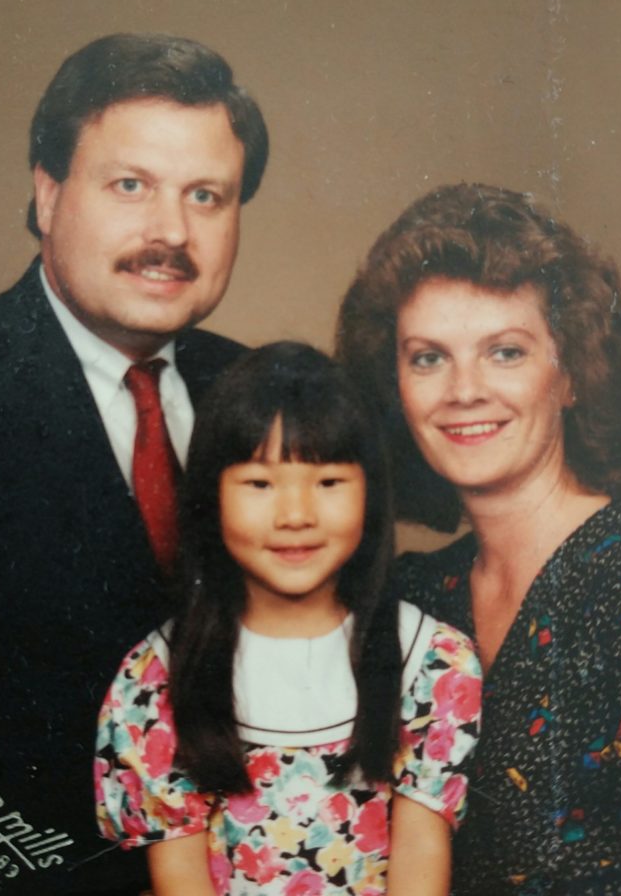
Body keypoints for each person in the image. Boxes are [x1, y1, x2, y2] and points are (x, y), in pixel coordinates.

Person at [0, 33, 268, 895]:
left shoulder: (267, 397)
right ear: (48, 192)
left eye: (206, 196)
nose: (170, 232)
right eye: (130, 185)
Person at [336, 182, 621, 895]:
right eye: (428, 357)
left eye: (505, 352)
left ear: (573, 374)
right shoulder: (410, 596)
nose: (463, 390)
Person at [95, 342, 482, 896]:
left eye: (328, 483)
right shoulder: (155, 678)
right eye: (259, 483)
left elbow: (422, 861)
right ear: (212, 498)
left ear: (370, 495)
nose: (295, 515)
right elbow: (179, 881)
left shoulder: (432, 662)